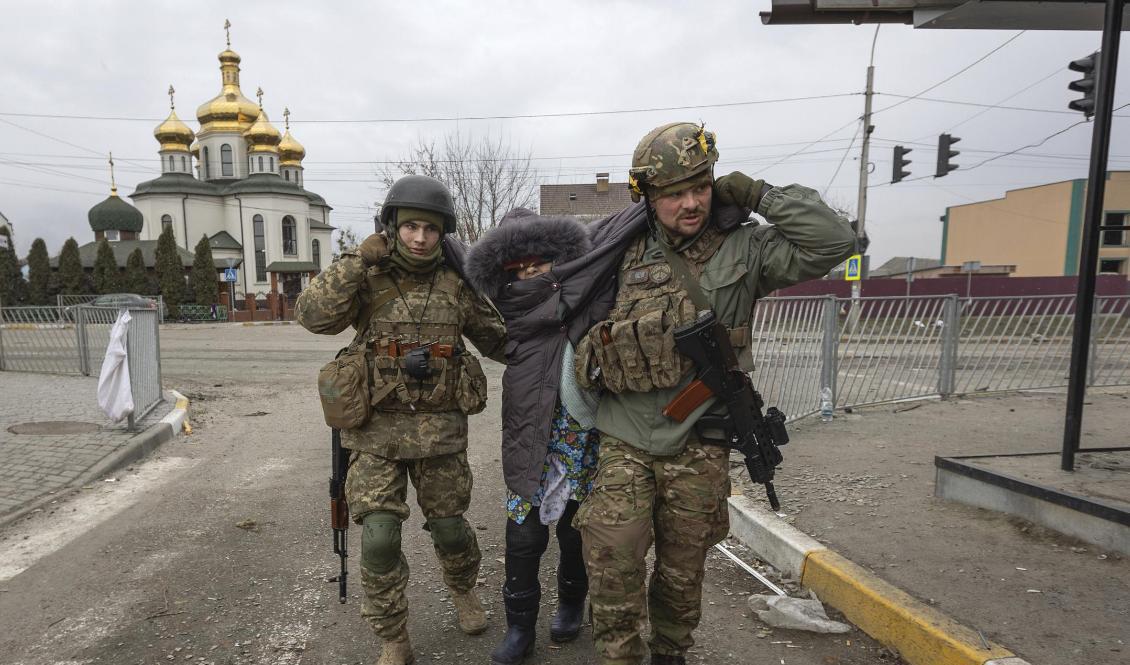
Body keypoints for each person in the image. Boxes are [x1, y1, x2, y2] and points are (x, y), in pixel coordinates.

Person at [571, 122, 861, 665]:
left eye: (700, 187)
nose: (691, 203)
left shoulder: (746, 249)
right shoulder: (617, 250)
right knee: (612, 562)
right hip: (623, 438)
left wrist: (759, 195)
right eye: (674, 193)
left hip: (698, 440)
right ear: (649, 196)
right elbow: (564, 312)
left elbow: (835, 241)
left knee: (682, 573)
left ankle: (671, 654)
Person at [295, 175, 507, 665]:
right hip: (376, 433)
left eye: (430, 229)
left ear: (442, 234)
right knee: (380, 537)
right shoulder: (367, 277)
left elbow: (500, 339)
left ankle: (462, 589)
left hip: (441, 433)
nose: (418, 238)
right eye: (409, 226)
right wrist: (354, 260)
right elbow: (313, 316)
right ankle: (393, 635)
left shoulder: (457, 283)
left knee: (452, 530)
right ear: (391, 226)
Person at [464, 209, 601, 664]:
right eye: (517, 269)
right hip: (528, 443)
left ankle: (570, 604)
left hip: (579, 442)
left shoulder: (587, 303)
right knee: (523, 538)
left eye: (536, 264)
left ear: (557, 259)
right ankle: (520, 628)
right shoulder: (506, 318)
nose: (527, 275)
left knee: (573, 532)